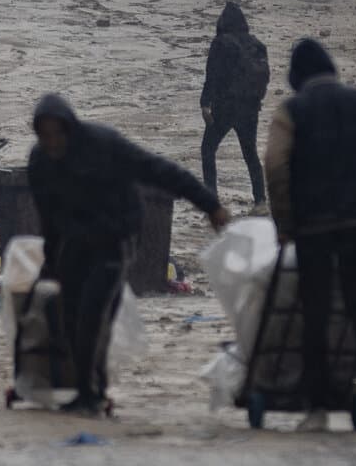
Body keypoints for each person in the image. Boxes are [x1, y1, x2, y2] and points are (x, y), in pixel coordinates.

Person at [28, 93, 228, 417]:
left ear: (69, 129)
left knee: (94, 313)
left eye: (57, 134)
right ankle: (89, 389)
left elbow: (160, 170)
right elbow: (48, 217)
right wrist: (50, 261)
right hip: (76, 241)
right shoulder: (40, 163)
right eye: (45, 135)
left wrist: (209, 204)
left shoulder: (102, 145)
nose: (52, 142)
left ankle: (90, 394)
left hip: (114, 239)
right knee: (71, 314)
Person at [264, 40, 356, 435]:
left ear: (296, 78)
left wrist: (284, 223)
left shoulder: (290, 111)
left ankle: (317, 409)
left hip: (313, 229)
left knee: (315, 315)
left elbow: (275, 166)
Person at [201, 1, 268, 205]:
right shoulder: (256, 44)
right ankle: (260, 201)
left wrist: (205, 103)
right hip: (251, 108)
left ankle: (211, 200)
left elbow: (212, 75)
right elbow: (264, 78)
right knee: (251, 154)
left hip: (225, 107)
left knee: (208, 149)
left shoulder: (221, 43)